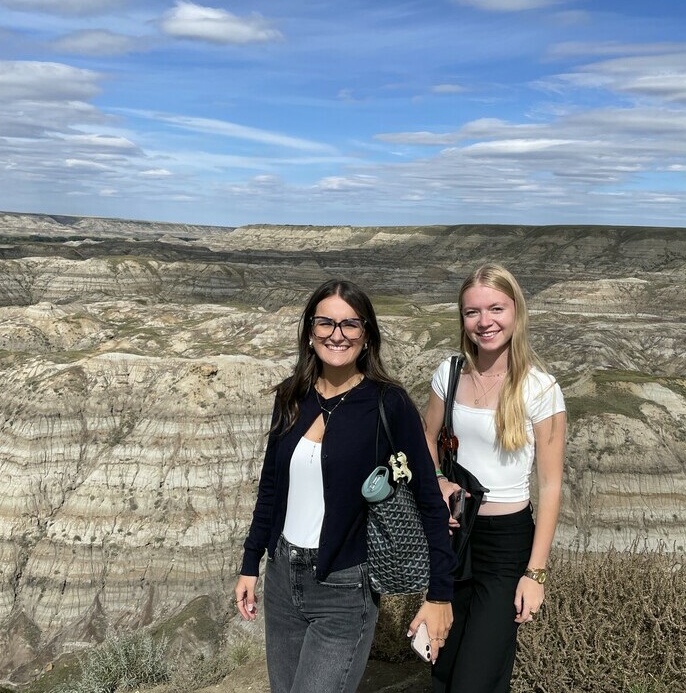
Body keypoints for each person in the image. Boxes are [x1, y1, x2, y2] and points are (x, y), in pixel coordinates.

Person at [235, 279, 456, 693]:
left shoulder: (387, 403)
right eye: (326, 323)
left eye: (350, 325)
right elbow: (271, 488)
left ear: (367, 335)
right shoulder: (291, 396)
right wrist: (251, 563)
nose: (337, 335)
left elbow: (428, 499)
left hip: (344, 590)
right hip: (282, 578)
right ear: (310, 332)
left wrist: (439, 595)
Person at [423, 263, 566, 693]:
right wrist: (437, 481)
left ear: (516, 311)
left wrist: (535, 574)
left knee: (476, 677)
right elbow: (425, 440)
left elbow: (551, 486)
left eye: (496, 309)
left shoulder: (540, 389)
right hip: (452, 536)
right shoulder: (448, 374)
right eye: (472, 313)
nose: (485, 322)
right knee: (443, 667)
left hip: (506, 544)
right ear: (462, 320)